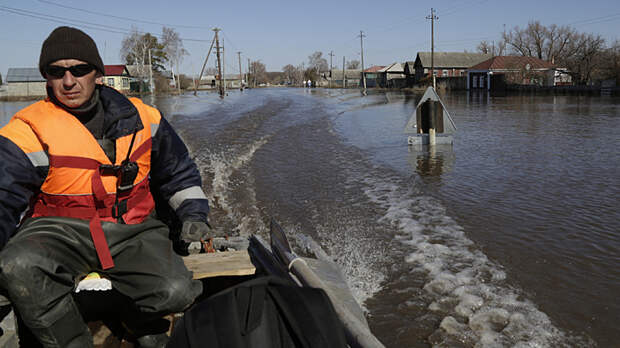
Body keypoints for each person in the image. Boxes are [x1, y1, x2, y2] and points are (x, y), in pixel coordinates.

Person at [0, 26, 210, 348]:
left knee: (177, 292)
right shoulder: (25, 130)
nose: (68, 81)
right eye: (57, 72)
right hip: (56, 232)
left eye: (79, 70)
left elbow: (178, 173)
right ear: (47, 78)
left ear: (97, 73)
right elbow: (3, 198)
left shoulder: (145, 117)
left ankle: (133, 317)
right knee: (16, 265)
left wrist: (194, 215)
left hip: (133, 229)